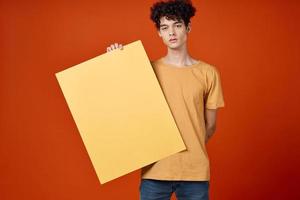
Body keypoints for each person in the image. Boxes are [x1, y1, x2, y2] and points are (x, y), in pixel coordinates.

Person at [106, 0, 225, 199]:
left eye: (177, 25)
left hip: (194, 173)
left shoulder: (208, 73)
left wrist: (189, 144)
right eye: (165, 27)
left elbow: (210, 126)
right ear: (159, 33)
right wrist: (115, 60)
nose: (171, 32)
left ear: (188, 27)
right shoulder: (147, 70)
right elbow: (123, 104)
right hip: (155, 171)